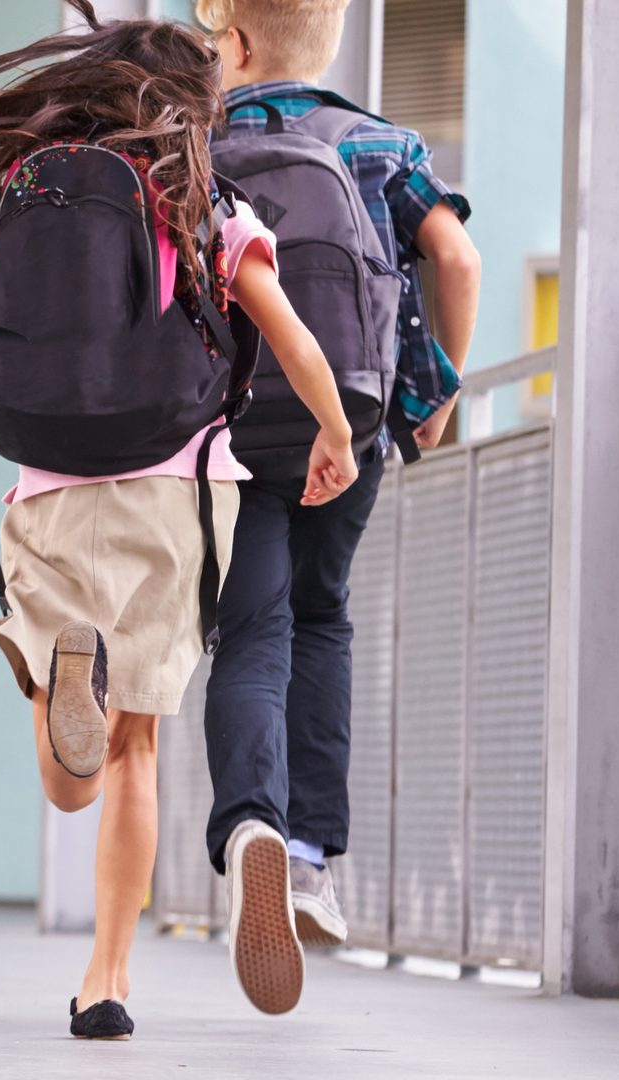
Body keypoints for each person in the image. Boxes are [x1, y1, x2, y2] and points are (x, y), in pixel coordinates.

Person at [0, 4, 362, 1039]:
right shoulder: (206, 204)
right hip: (174, 492)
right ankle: (108, 977)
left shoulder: (26, 201)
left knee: (69, 778)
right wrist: (333, 432)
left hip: (46, 491)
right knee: (135, 748)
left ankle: (72, 672)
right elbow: (291, 337)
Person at [195, 0, 481, 1000]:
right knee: (320, 619)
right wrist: (432, 399)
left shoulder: (194, 150)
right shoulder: (381, 144)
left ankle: (250, 824)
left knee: (250, 630)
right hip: (347, 430)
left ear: (234, 45)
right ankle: (311, 859)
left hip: (229, 430)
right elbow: (455, 258)